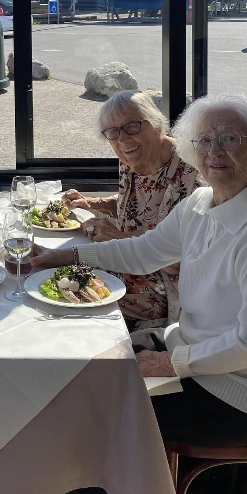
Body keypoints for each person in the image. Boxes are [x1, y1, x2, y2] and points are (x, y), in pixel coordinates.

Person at [33, 93, 247, 456]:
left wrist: (167, 363)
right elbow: (140, 252)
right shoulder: (199, 204)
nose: (214, 151)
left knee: (99, 415)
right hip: (196, 355)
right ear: (191, 149)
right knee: (87, 366)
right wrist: (60, 256)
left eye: (229, 138)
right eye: (204, 140)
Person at [61, 90, 200, 330]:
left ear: (156, 123)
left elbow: (181, 262)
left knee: (73, 292)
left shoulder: (191, 173)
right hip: (127, 262)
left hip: (168, 287)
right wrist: (91, 204)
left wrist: (120, 238)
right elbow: (138, 207)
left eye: (132, 126)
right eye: (112, 132)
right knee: (63, 272)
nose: (122, 139)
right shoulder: (131, 159)